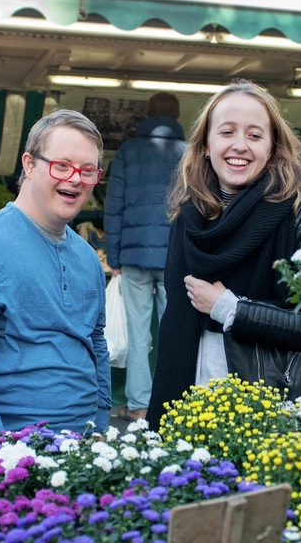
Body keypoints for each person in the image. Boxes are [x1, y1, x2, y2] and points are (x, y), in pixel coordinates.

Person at [146, 79, 301, 429]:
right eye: (227, 132)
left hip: (264, 410)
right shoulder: (187, 217)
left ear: (272, 147)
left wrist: (232, 309)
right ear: (206, 145)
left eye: (254, 135)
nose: (240, 145)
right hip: (187, 404)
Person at [0, 109, 111, 433]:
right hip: (7, 452)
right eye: (62, 165)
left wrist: (99, 427)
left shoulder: (88, 257)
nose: (75, 179)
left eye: (88, 171)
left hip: (82, 449)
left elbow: (96, 343)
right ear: (29, 165)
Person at [104, 92, 188, 422]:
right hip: (175, 258)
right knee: (174, 333)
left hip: (135, 256)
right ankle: (172, 404)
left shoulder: (127, 151)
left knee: (138, 333)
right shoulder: (189, 153)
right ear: (177, 118)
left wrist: (114, 257)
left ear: (147, 117)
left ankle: (139, 405)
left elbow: (114, 207)